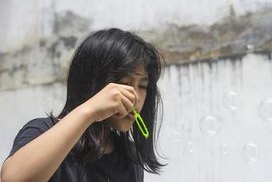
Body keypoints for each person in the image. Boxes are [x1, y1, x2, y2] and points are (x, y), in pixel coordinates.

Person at [1, 28, 166, 182]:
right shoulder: (43, 131)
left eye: (143, 86)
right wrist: (90, 110)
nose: (135, 96)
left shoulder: (129, 157)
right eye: (123, 82)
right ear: (91, 82)